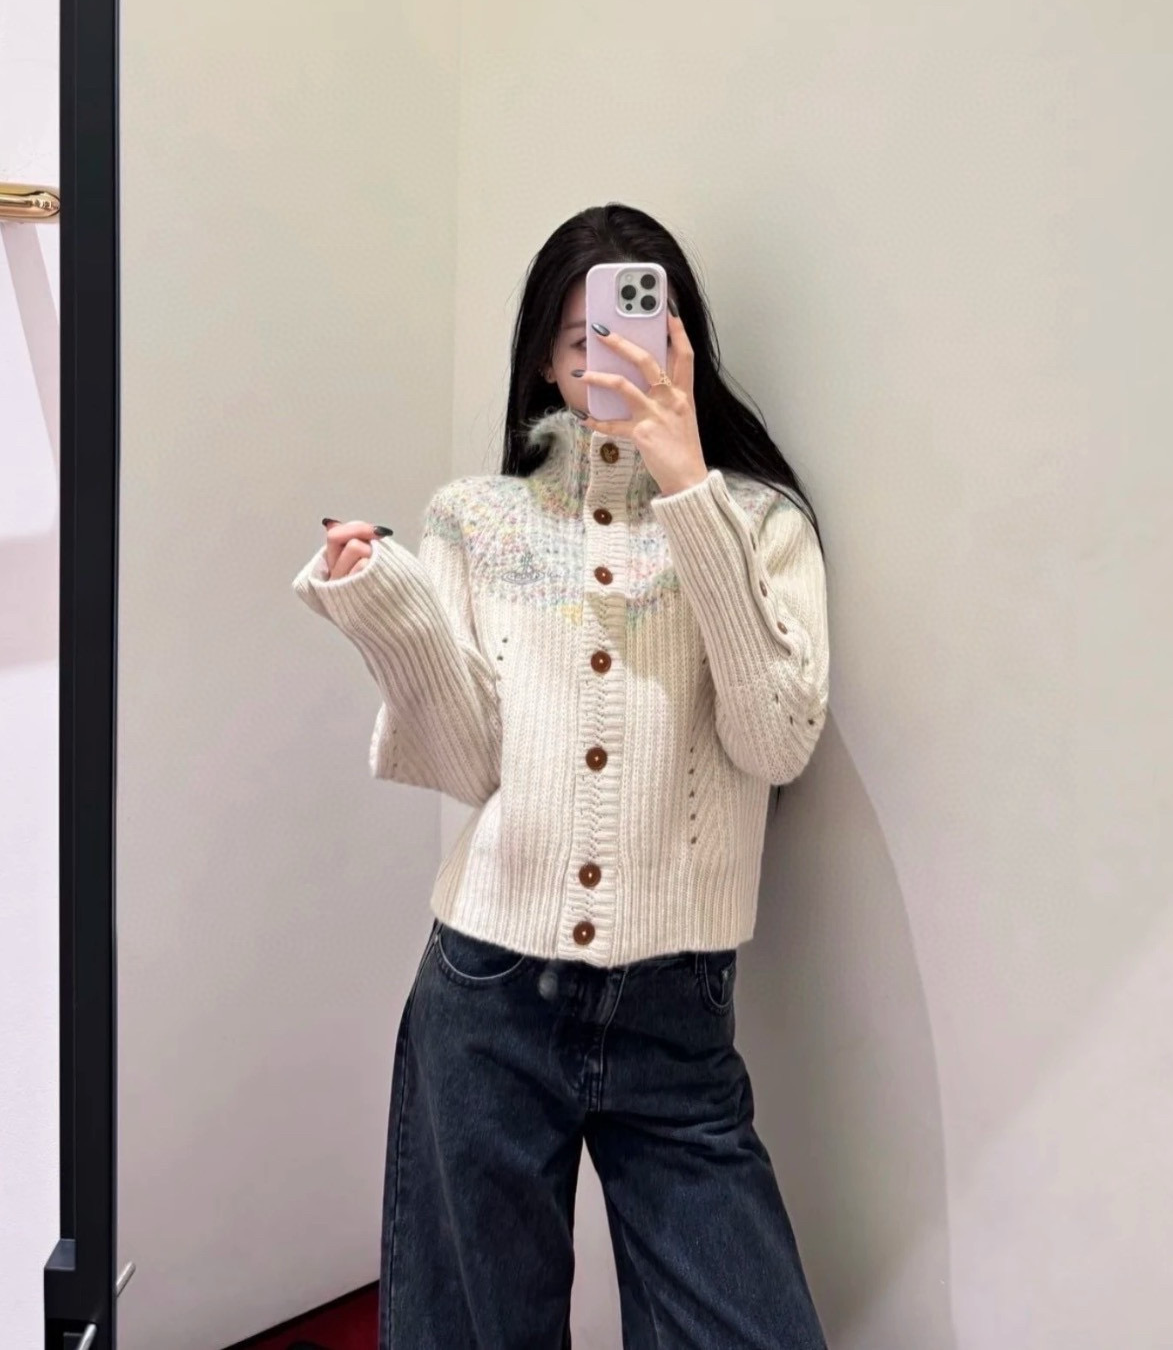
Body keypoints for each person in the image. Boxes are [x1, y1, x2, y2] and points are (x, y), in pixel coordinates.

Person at [292, 204, 831, 1349]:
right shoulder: (477, 520)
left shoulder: (759, 523)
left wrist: (687, 489)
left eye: (639, 334)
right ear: (543, 355)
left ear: (682, 343)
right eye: (584, 340)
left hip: (675, 1008)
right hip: (484, 989)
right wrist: (387, 612)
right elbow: (469, 762)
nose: (611, 361)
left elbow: (777, 740)